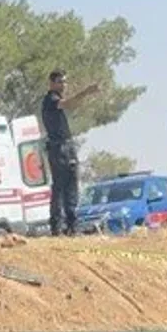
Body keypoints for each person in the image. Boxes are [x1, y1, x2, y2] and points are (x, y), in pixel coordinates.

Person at [41, 70, 100, 235]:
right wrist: (86, 92)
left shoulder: (55, 99)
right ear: (52, 83)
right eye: (60, 82)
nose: (64, 85)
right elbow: (68, 104)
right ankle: (58, 226)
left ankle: (72, 226)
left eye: (65, 82)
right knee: (60, 187)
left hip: (65, 147)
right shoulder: (50, 99)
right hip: (59, 148)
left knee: (71, 186)